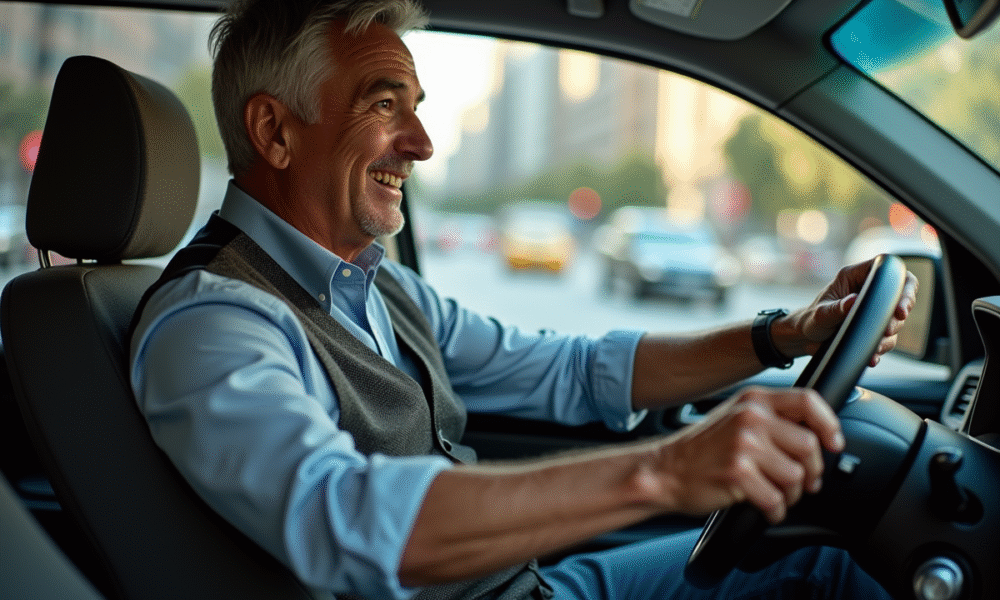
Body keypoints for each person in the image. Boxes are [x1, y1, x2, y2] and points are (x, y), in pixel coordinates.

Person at [128, 1, 918, 599]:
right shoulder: (212, 323)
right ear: (274, 131)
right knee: (822, 569)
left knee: (817, 553)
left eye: (417, 106)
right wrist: (666, 472)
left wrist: (786, 335)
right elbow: (344, 517)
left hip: (526, 586)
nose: (422, 142)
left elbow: (572, 371)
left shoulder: (381, 286)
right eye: (383, 104)